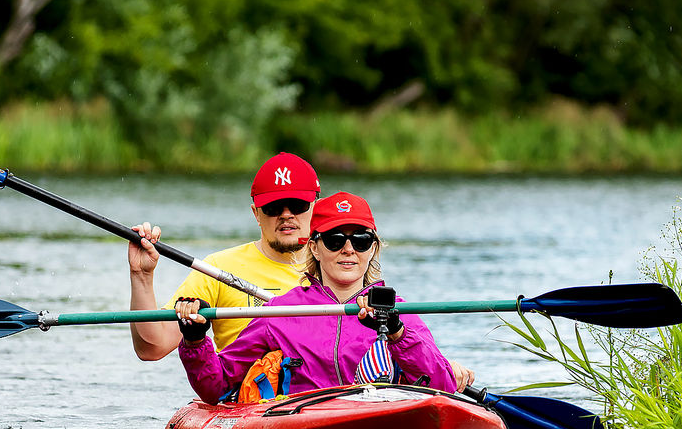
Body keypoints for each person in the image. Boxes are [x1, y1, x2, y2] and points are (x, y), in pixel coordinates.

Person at [174, 191, 458, 399]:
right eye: (335, 240)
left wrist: (396, 332)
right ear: (314, 248)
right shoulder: (280, 313)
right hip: (305, 426)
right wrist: (195, 340)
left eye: (361, 240)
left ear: (373, 248)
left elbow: (442, 387)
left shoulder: (400, 313)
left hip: (380, 420)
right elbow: (218, 386)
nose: (348, 249)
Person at [128, 152, 320, 358]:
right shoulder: (217, 268)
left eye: (298, 205)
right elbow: (152, 348)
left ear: (317, 208)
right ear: (256, 214)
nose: (286, 214)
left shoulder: (343, 265)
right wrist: (141, 276)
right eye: (273, 208)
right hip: (248, 388)